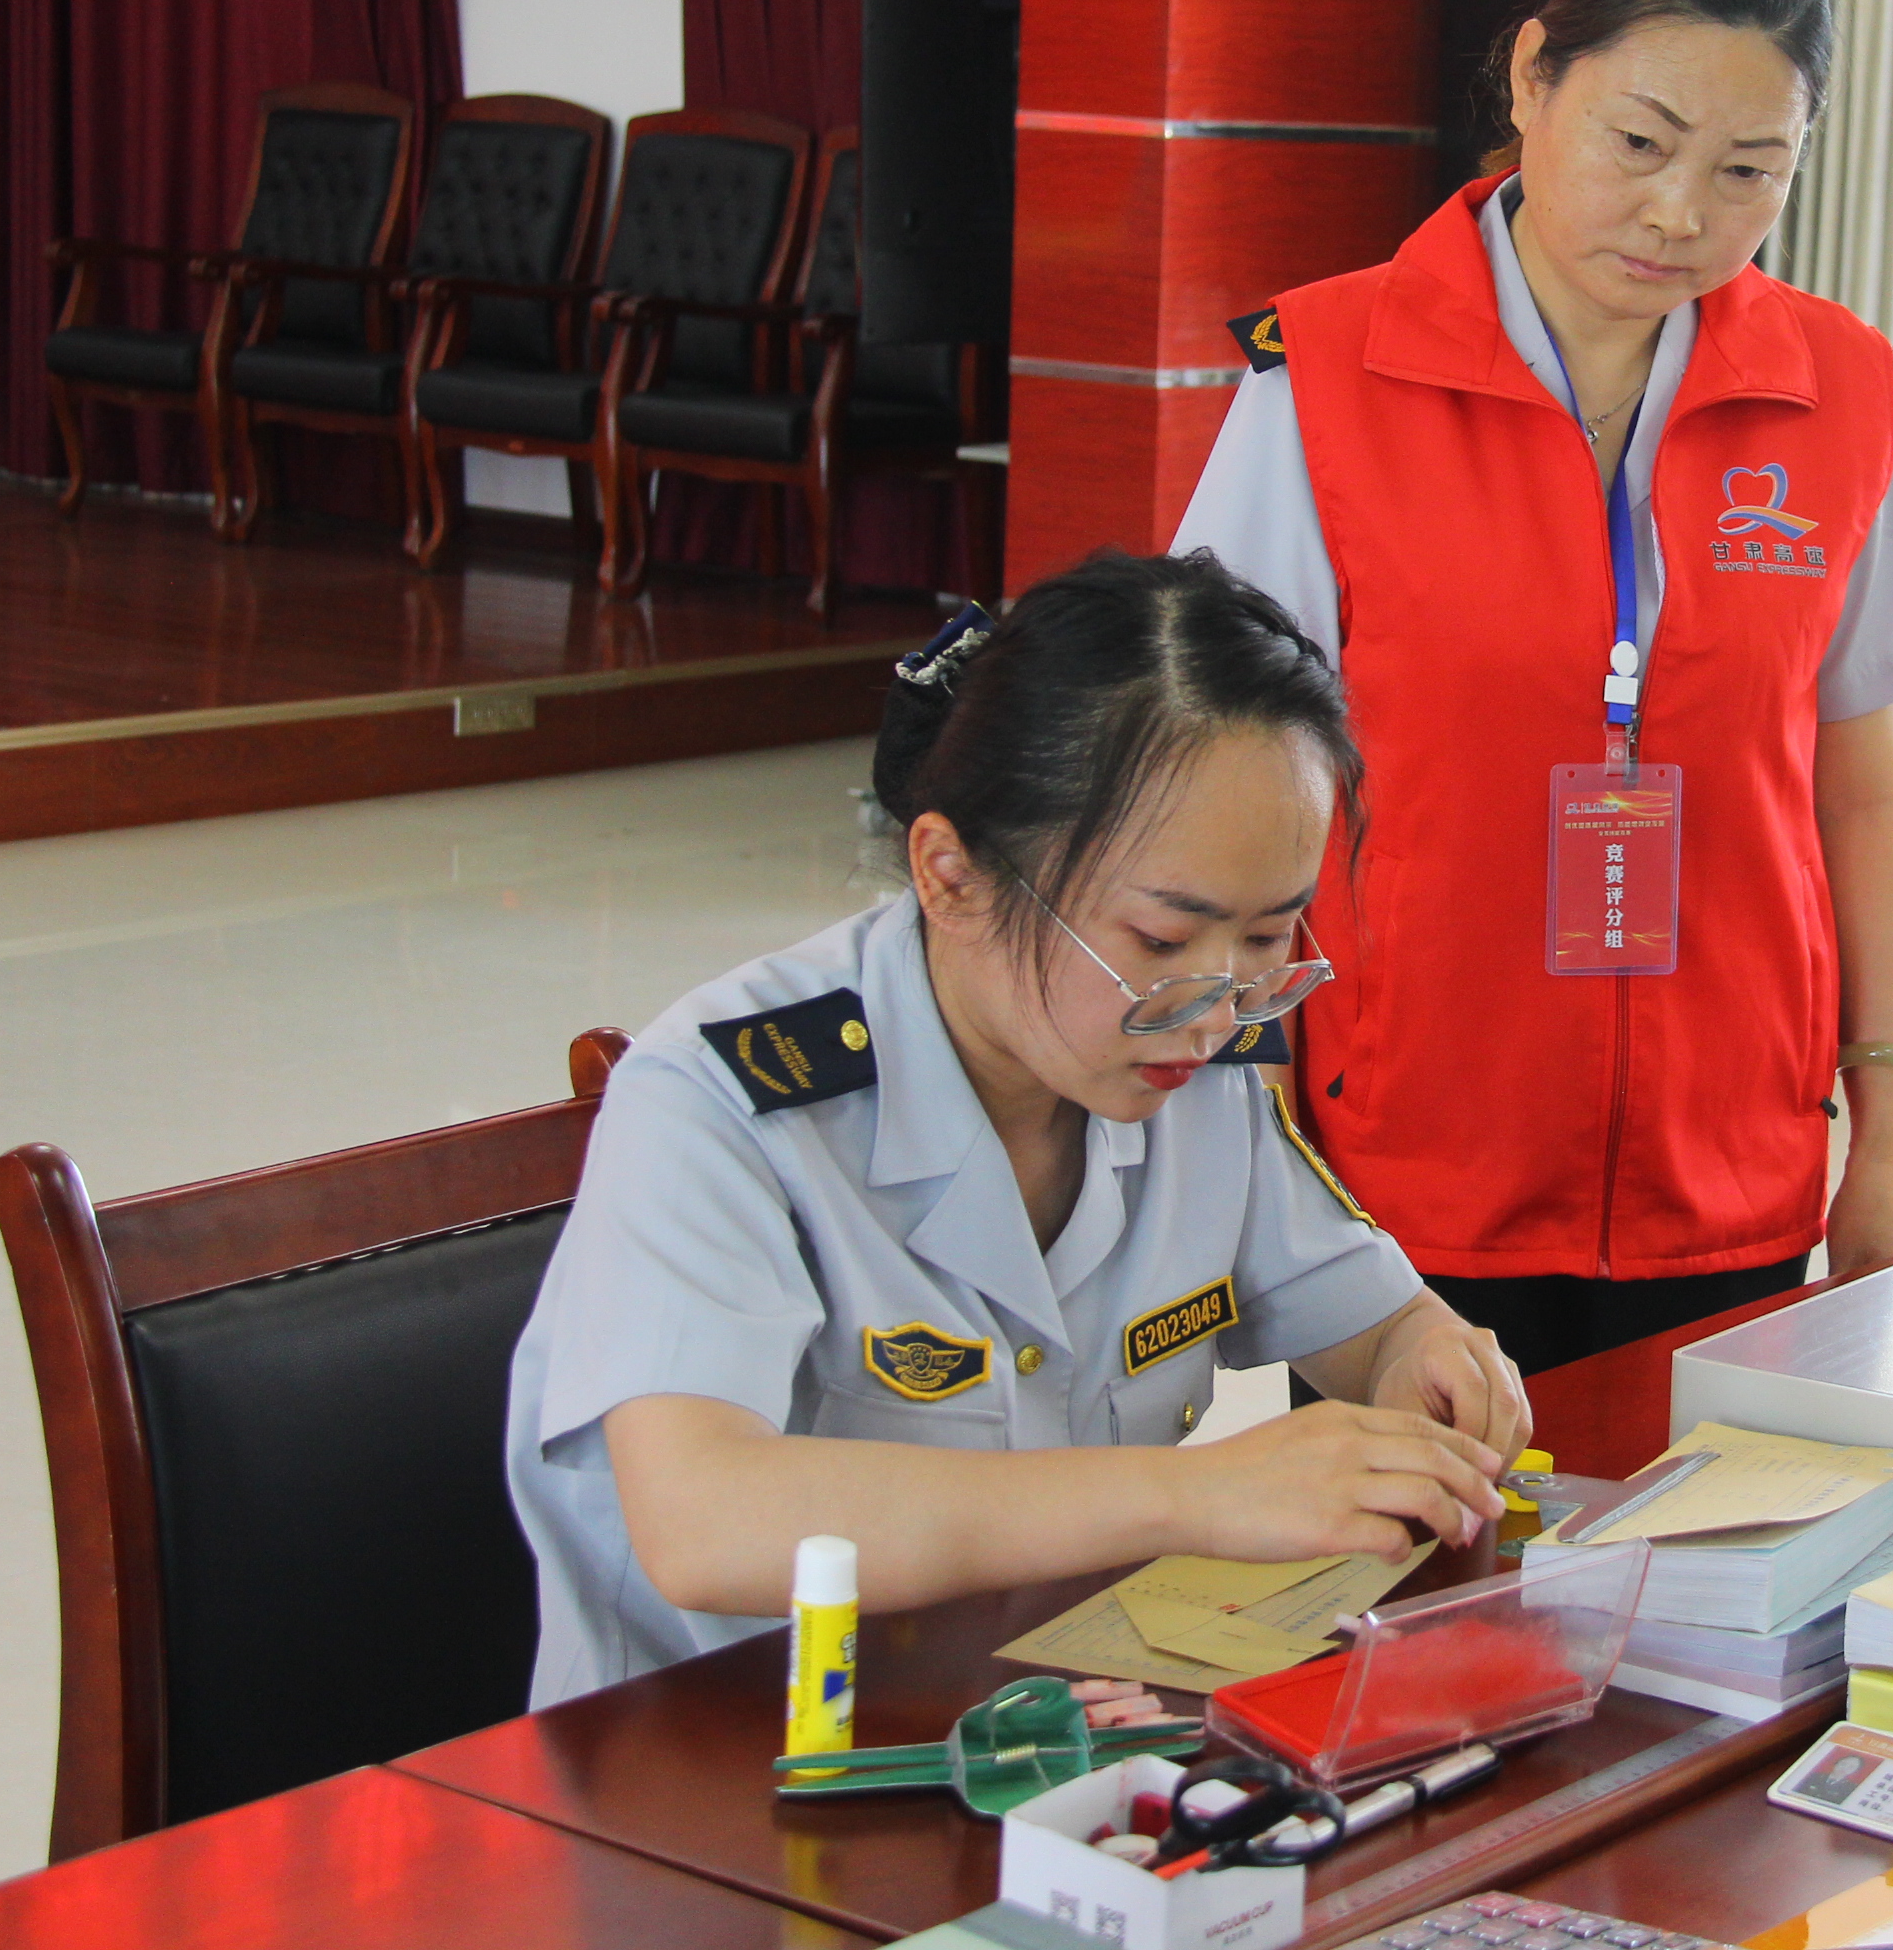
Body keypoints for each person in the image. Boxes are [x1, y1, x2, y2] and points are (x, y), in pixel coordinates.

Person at [1171, 0, 1893, 1375]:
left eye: (1749, 171)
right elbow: (1211, 781)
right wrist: (1236, 1100)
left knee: (1701, 1584)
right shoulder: (1322, 379)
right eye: (1641, 142)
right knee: (1419, 1588)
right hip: (1403, 1166)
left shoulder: (1840, 396)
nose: (1680, 214)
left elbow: (1861, 785)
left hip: (1728, 1165)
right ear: (1535, 75)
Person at [506, 551, 1529, 1701]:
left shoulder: (1193, 1063)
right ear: (951, 876)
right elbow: (703, 1518)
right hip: (733, 1768)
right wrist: (1192, 1496)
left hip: (1055, 1724)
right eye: (1160, 941)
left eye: (1268, 938)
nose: (1217, 1006)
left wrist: (1422, 1362)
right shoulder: (725, 1101)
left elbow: (1368, 1320)